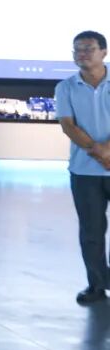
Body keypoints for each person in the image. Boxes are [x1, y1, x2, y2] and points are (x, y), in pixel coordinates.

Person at [54, 30, 110, 306]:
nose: (82, 54)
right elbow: (68, 125)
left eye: (88, 48)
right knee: (91, 232)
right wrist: (100, 153)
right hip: (84, 171)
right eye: (77, 49)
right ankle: (97, 285)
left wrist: (107, 150)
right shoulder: (65, 87)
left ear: (104, 52)